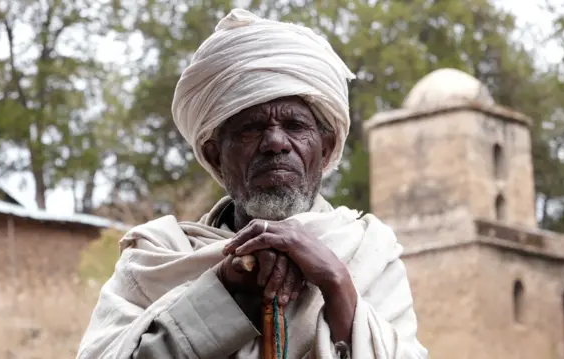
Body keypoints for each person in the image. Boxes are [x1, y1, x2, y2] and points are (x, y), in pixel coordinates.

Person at [76, 8, 428, 359]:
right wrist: (224, 294)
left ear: (326, 149)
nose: (275, 142)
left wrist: (336, 283)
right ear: (215, 156)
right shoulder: (158, 256)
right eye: (251, 128)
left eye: (294, 125)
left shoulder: (368, 252)